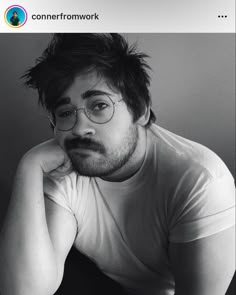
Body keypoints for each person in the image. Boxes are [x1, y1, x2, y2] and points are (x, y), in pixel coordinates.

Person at [0, 33, 235, 295]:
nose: (80, 129)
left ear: (141, 110)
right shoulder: (63, 170)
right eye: (65, 113)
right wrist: (29, 167)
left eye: (99, 105)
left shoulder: (201, 180)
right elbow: (23, 291)